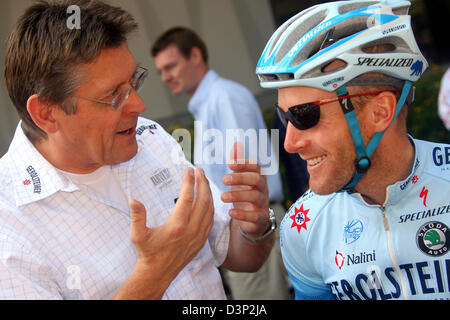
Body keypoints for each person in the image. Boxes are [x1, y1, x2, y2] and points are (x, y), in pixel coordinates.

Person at [0, 0, 275, 300]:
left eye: (134, 82)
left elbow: (239, 256)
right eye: (113, 96)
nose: (139, 106)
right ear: (47, 113)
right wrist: (156, 273)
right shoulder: (10, 221)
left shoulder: (151, 139)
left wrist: (255, 225)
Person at [256, 0, 450, 300]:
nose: (289, 142)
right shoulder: (302, 225)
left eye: (304, 115)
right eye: (284, 117)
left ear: (380, 112)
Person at [151, 27, 290, 299]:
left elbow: (246, 176)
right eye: (161, 71)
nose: (165, 77)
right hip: (237, 233)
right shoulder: (211, 102)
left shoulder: (223, 97)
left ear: (195, 55)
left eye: (171, 67)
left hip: (250, 228)